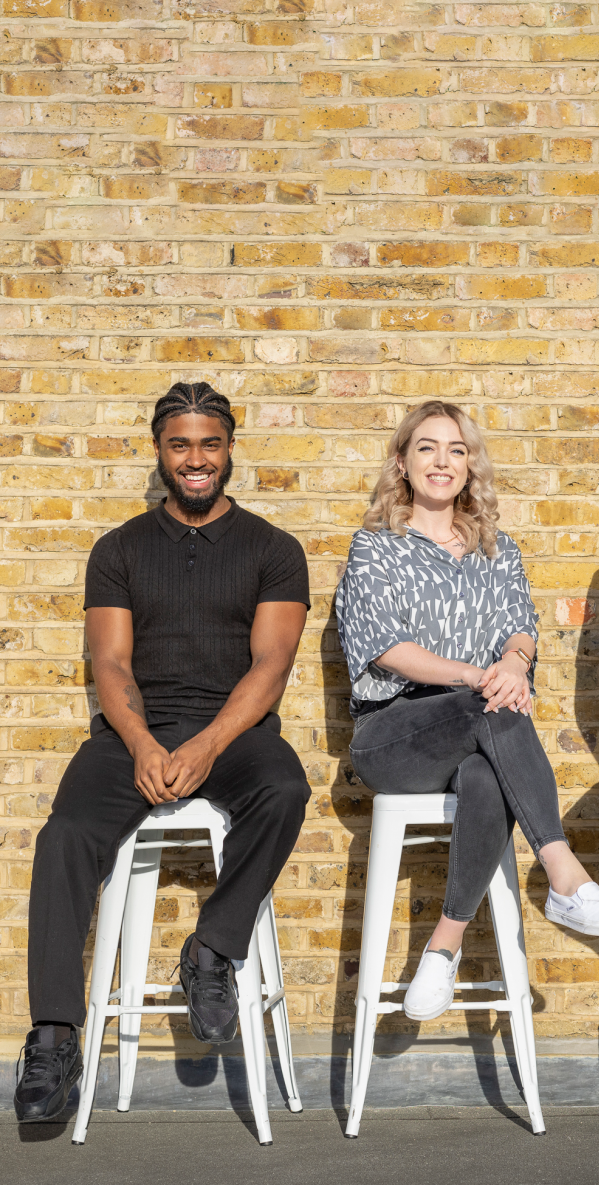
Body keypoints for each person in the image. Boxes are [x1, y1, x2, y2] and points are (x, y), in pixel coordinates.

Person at [14, 382, 311, 1123]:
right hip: (134, 730)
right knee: (65, 836)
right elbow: (110, 666)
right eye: (180, 444)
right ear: (160, 451)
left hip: (234, 730)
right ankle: (52, 1036)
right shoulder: (117, 550)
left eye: (209, 443)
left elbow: (270, 668)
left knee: (284, 789)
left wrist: (209, 745)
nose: (196, 458)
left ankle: (213, 949)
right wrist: (142, 743)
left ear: (230, 448)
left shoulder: (274, 550)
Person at [336, 400, 599, 1022]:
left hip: (480, 728)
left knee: (485, 776)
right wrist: (484, 676)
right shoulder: (375, 548)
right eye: (426, 447)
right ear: (402, 462)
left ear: (470, 465)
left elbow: (521, 630)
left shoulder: (498, 550)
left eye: (456, 449)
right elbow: (387, 650)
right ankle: (564, 874)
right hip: (394, 736)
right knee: (490, 705)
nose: (442, 461)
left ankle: (440, 951)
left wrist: (514, 664)